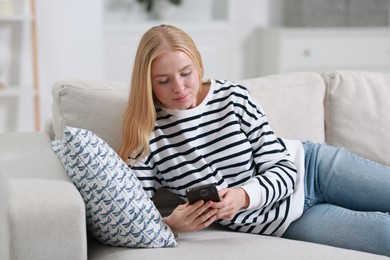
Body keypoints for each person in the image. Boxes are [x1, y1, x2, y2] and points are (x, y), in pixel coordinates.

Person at [118, 24, 390, 256]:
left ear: (198, 65)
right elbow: (127, 216)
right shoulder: (147, 137)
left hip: (313, 168)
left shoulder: (232, 98)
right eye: (164, 80)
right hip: (287, 220)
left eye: (186, 73)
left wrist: (244, 196)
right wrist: (171, 223)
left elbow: (285, 169)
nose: (179, 87)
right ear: (148, 83)